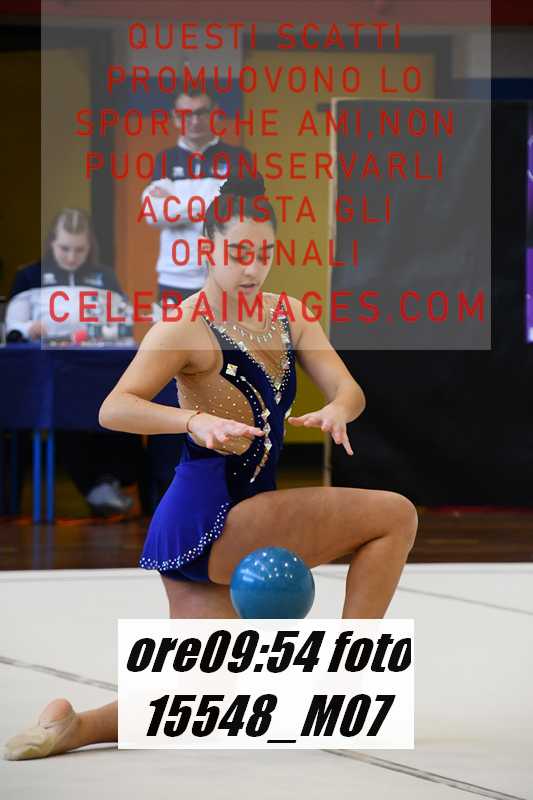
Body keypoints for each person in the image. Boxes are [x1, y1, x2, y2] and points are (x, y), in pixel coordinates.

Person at [4, 175, 418, 760]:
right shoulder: (184, 327)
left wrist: (337, 409)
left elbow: (349, 389)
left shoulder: (291, 316)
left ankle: (73, 726)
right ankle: (345, 678)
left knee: (201, 696)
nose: (253, 267)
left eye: (265, 253)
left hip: (227, 522)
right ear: (207, 248)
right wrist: (192, 421)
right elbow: (114, 408)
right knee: (394, 515)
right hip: (213, 512)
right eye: (239, 252)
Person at [5, 208, 141, 516]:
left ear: (89, 246)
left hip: (98, 369)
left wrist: (104, 328)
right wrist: (29, 329)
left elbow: (123, 323)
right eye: (64, 248)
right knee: (66, 408)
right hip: (51, 377)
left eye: (79, 250)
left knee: (124, 403)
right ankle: (95, 485)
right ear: (52, 243)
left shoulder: (104, 277)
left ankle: (110, 480)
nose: (71, 257)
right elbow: (11, 329)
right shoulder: (29, 277)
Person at [142, 84, 252, 304]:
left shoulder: (238, 158)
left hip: (226, 275)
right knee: (171, 330)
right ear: (175, 118)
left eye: (201, 112)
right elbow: (154, 214)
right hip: (175, 278)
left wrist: (177, 205)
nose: (194, 121)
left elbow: (240, 213)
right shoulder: (165, 160)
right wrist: (211, 203)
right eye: (185, 114)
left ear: (215, 113)